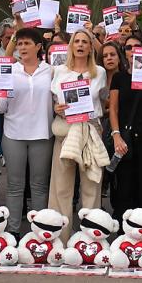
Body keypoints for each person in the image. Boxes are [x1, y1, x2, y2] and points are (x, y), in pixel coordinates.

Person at [0, 27, 53, 235]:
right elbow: (2, 107)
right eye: (20, 43)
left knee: (39, 185)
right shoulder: (10, 71)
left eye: (27, 43)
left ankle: (40, 232)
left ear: (38, 46)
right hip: (14, 134)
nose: (23, 47)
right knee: (15, 185)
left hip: (42, 134)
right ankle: (13, 232)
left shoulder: (51, 71)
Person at [48, 27, 108, 240]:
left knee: (91, 186)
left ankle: (91, 239)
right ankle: (59, 239)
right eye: (77, 41)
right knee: (61, 187)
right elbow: (55, 101)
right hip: (66, 131)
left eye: (85, 41)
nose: (81, 45)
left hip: (91, 130)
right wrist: (57, 109)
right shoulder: (59, 71)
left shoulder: (99, 72)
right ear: (71, 46)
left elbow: (104, 100)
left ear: (91, 46)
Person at [106, 34, 142, 223]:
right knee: (125, 187)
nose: (133, 50)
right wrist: (116, 135)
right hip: (124, 139)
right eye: (128, 47)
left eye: (137, 46)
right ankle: (124, 233)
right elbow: (113, 109)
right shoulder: (119, 78)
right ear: (124, 53)